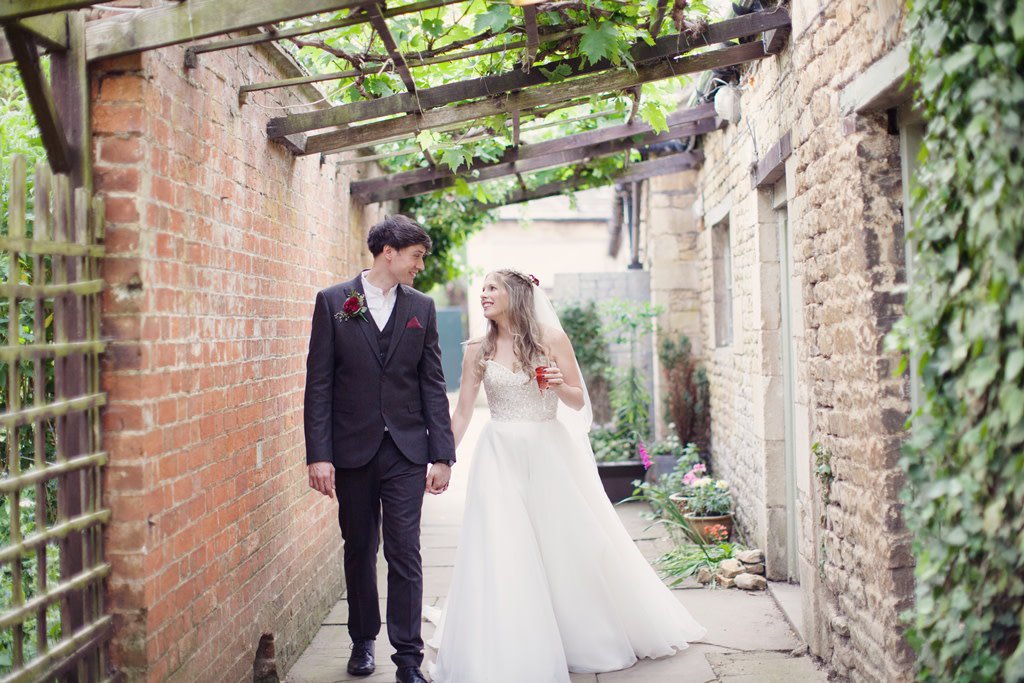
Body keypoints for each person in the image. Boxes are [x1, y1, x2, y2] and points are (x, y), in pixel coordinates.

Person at [427, 269, 706, 683]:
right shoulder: (476, 349)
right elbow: (464, 410)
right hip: (498, 453)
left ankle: (574, 634)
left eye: (492, 288)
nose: (483, 295)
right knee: (502, 543)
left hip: (548, 452)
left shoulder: (551, 340)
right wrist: (443, 459)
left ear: (516, 294)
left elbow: (578, 402)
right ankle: (513, 639)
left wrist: (558, 385)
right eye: (482, 288)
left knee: (560, 545)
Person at [303, 215, 456, 683]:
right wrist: (318, 454)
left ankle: (408, 658)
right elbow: (319, 384)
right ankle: (363, 639)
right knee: (360, 547)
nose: (420, 265)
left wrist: (443, 455)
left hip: (407, 450)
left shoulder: (422, 307)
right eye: (416, 256)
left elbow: (433, 382)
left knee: (405, 552)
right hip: (351, 450)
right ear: (388, 252)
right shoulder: (334, 302)